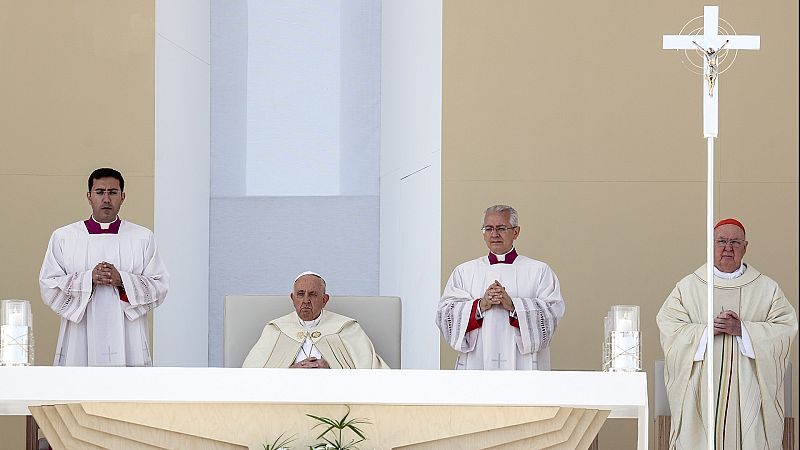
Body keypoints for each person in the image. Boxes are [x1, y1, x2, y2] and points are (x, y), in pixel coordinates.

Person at [657, 218, 797, 449]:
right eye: (721, 241)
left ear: (745, 247)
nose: (728, 248)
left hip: (750, 389)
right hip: (700, 390)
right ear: (711, 245)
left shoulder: (767, 288)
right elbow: (670, 327)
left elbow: (785, 328)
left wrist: (743, 330)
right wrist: (706, 330)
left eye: (735, 242)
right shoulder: (689, 286)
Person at [39, 168, 169, 366]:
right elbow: (48, 285)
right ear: (89, 196)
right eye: (100, 192)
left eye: (113, 192)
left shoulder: (142, 237)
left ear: (123, 197)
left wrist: (122, 280)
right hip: (79, 335)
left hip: (128, 335)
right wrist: (88, 279)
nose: (106, 199)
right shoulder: (64, 237)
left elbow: (160, 286)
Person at [436, 205, 565, 370]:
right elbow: (445, 314)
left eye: (501, 228)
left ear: (516, 232)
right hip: (478, 361)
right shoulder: (464, 271)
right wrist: (480, 305)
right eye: (488, 228)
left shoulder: (539, 271)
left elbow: (552, 314)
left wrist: (513, 306)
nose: (494, 234)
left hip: (522, 364)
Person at [242, 272, 389, 369]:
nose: (306, 300)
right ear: (293, 299)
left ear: (324, 300)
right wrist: (289, 370)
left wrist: (331, 368)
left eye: (312, 294)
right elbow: (250, 376)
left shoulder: (347, 328)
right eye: (300, 294)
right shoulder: (276, 329)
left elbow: (373, 374)